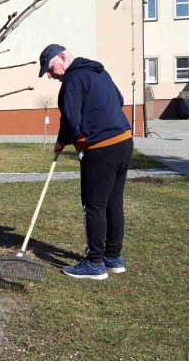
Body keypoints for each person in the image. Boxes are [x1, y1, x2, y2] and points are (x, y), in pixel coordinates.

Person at [39, 44, 133, 281]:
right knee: (113, 202)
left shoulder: (72, 80)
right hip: (124, 142)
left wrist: (69, 139)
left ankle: (94, 264)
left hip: (100, 148)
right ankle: (113, 258)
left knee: (94, 205)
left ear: (62, 57)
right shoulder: (98, 71)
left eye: (50, 69)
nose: (51, 75)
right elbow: (119, 100)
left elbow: (71, 118)